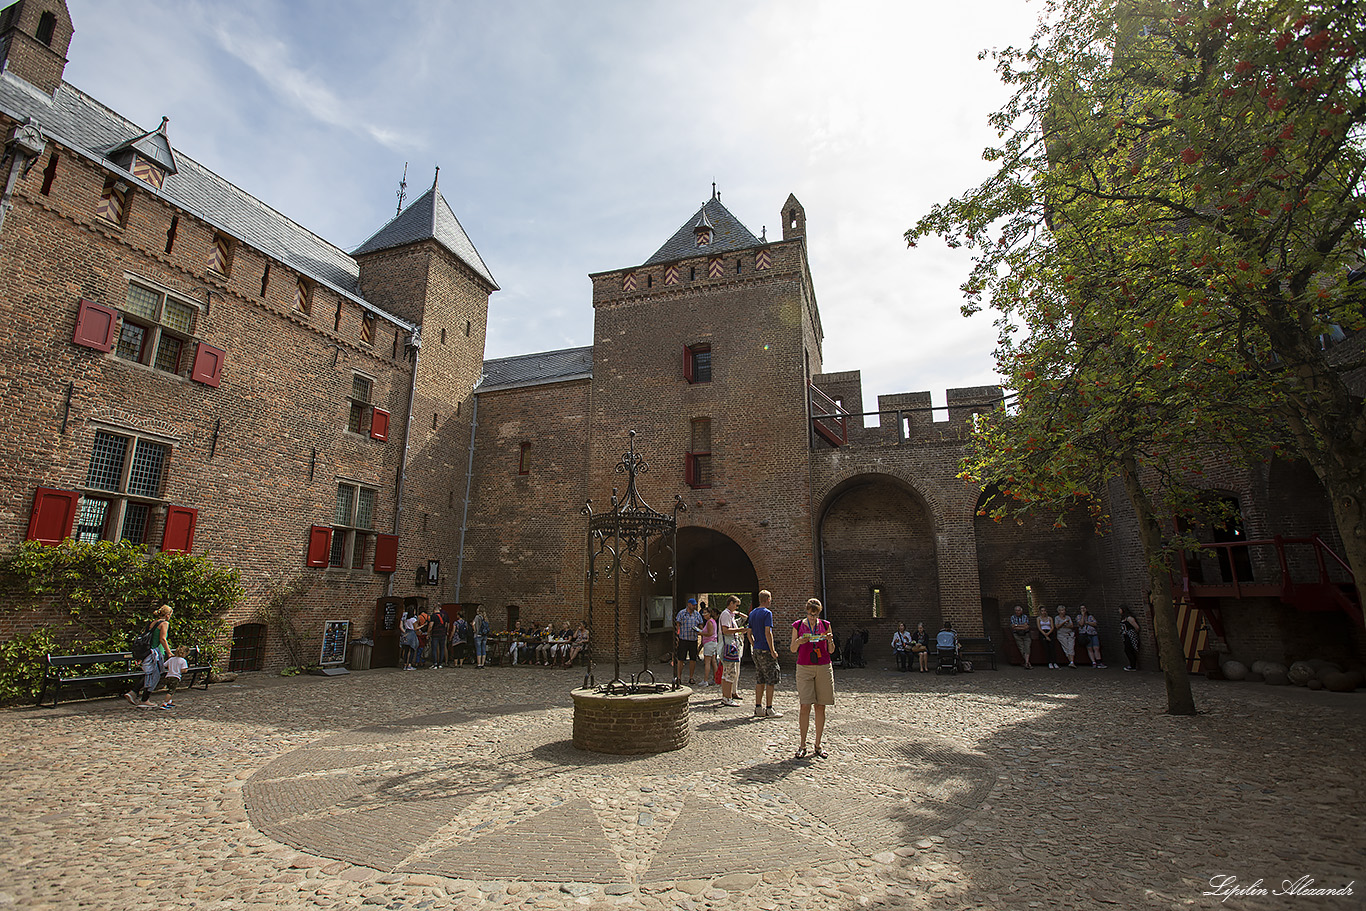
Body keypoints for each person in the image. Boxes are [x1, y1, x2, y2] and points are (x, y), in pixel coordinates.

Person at [791, 598, 834, 758]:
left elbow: (831, 650)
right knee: (805, 705)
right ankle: (802, 744)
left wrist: (830, 640)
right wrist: (800, 641)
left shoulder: (825, 624)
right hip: (804, 667)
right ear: (806, 612)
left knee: (820, 706)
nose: (812, 618)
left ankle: (818, 744)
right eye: (810, 614)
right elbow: (792, 649)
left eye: (815, 615)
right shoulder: (798, 625)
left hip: (823, 666)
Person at [126, 604, 172, 707]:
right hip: (156, 652)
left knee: (149, 674)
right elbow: (162, 639)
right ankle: (144, 699)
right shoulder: (164, 624)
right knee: (154, 676)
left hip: (147, 652)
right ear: (168, 615)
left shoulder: (152, 623)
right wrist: (169, 652)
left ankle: (133, 692)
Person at [748, 590, 782, 718]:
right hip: (765, 649)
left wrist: (753, 644)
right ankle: (769, 708)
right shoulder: (767, 613)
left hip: (756, 649)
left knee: (760, 678)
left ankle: (758, 708)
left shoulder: (752, 613)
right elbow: (768, 632)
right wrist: (772, 650)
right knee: (771, 679)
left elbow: (748, 632)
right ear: (767, 599)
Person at [718, 595, 745, 706]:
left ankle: (726, 696)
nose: (737, 607)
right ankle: (727, 697)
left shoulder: (729, 615)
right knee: (730, 672)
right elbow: (725, 630)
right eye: (736, 605)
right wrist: (740, 630)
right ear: (731, 603)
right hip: (729, 646)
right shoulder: (726, 615)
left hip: (730, 645)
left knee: (726, 673)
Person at [674, 598, 703, 684]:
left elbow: (701, 624)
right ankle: (679, 677)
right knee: (681, 658)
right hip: (683, 639)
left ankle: (691, 677)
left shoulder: (697, 614)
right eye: (693, 604)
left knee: (693, 659)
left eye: (695, 605)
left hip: (693, 639)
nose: (694, 606)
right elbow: (677, 625)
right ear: (689, 604)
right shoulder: (682, 613)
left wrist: (700, 630)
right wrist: (677, 635)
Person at [698, 604, 719, 688]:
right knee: (713, 662)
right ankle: (716, 679)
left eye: (705, 613)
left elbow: (710, 633)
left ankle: (705, 680)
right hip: (713, 643)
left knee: (707, 662)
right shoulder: (712, 621)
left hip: (709, 643)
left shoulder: (710, 622)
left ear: (709, 613)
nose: (704, 614)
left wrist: (701, 633)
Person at [1009, 604, 1033, 669]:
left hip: (1026, 634)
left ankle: (1027, 662)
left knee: (1027, 647)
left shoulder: (1025, 617)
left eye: (1019, 610)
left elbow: (1027, 626)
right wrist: (1022, 626)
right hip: (1017, 634)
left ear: (1021, 611)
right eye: (1016, 610)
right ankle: (1027, 663)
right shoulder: (1013, 617)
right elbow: (1013, 627)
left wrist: (1017, 626)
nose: (1017, 612)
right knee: (1021, 648)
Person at [1120, 605, 1141, 671]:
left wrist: (1132, 633)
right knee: (1127, 650)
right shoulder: (1123, 618)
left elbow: (1137, 627)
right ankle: (1132, 664)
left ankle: (1133, 666)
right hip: (1125, 636)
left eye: (1120, 609)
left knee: (1129, 650)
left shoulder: (1129, 618)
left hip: (1130, 635)